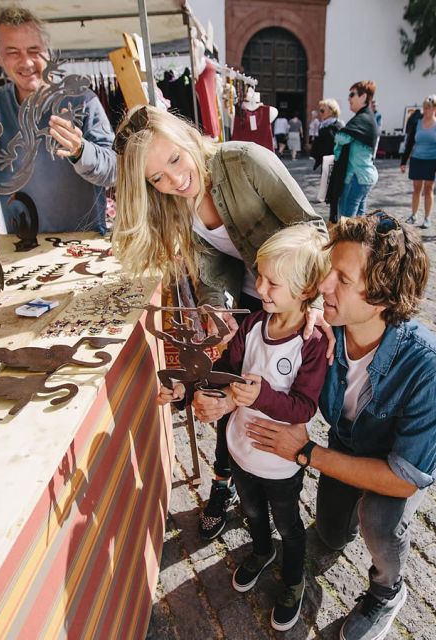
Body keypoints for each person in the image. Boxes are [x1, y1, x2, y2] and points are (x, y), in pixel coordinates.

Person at [201, 213, 436, 640]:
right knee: (331, 532)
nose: (324, 286)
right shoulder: (325, 334)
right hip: (345, 446)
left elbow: (402, 479)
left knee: (380, 519)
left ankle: (387, 590)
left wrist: (305, 453)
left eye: (342, 278)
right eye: (328, 273)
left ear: (382, 294)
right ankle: (329, 531)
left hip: (392, 469)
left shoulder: (431, 370)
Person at [111, 105, 330, 541]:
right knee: (234, 387)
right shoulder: (173, 207)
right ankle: (226, 480)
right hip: (251, 304)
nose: (173, 180)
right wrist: (219, 310)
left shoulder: (244, 160)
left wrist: (316, 301)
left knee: (294, 393)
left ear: (185, 137)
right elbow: (214, 270)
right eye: (156, 178)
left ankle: (301, 486)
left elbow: (312, 227)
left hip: (292, 299)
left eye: (174, 159)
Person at [170, 224, 329, 631]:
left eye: (272, 282)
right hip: (240, 450)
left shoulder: (309, 343)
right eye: (258, 276)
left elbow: (303, 407)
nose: (260, 286)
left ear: (306, 289)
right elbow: (226, 370)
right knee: (254, 512)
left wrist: (257, 397)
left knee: (289, 525)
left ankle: (294, 579)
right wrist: (191, 390)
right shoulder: (255, 323)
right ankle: (261, 551)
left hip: (280, 462)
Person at [0, 4, 116, 234]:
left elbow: (115, 170)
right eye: (13, 52)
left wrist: (80, 150)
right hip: (23, 247)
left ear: (48, 52)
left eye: (34, 50)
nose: (26, 63)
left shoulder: (82, 101)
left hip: (84, 242)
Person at [327, 81, 380, 222]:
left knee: (346, 222)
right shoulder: (366, 118)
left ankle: (347, 243)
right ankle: (359, 243)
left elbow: (341, 137)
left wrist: (336, 135)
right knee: (359, 221)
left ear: (363, 97)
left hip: (356, 177)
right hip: (363, 176)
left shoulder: (363, 119)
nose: (349, 98)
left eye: (352, 94)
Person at [400, 95, 436, 229]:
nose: (426, 111)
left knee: (429, 189)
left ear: (435, 109)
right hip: (417, 159)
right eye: (424, 108)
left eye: (429, 108)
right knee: (416, 188)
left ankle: (427, 217)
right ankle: (413, 215)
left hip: (431, 160)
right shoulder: (417, 123)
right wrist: (404, 161)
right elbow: (410, 143)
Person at [309, 99, 343, 171]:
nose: (320, 113)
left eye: (322, 111)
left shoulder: (337, 126)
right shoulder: (323, 125)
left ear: (331, 111)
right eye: (320, 111)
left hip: (334, 163)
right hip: (325, 162)